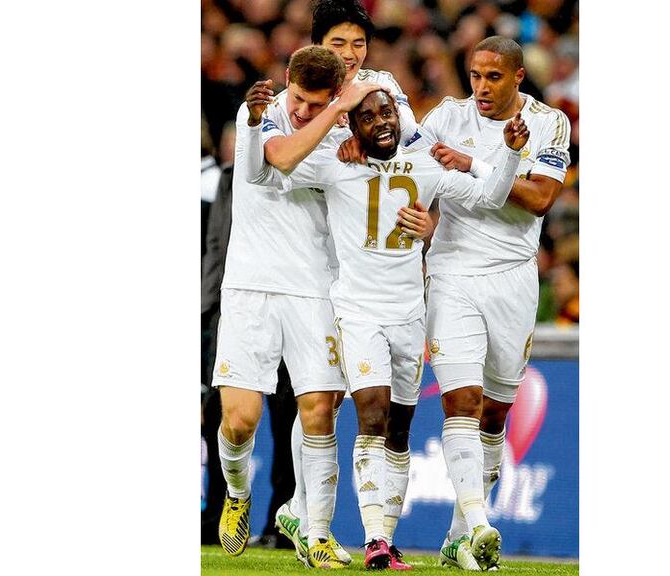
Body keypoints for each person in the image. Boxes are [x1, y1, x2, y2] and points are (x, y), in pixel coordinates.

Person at [244, 87, 529, 570]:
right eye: (369, 116)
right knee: (371, 414)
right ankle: (372, 538)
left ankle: (387, 541)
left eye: (388, 111)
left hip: (409, 313)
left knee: (400, 427)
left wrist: (509, 152)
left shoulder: (424, 163)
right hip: (356, 312)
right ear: (352, 128)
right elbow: (263, 172)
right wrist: (256, 126)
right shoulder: (335, 161)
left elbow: (493, 194)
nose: (383, 121)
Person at [213, 46, 385, 569]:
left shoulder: (343, 132)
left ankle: (316, 534)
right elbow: (278, 161)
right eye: (302, 100)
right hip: (250, 287)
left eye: (320, 104)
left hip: (316, 287)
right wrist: (335, 114)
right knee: (240, 422)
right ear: (287, 79)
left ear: (335, 93)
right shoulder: (258, 111)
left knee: (319, 412)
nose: (305, 111)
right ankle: (238, 493)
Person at [276, 0, 432, 570]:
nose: (349, 55)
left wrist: (367, 143)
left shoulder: (381, 87)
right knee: (321, 393)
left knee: (337, 398)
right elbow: (277, 158)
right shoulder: (298, 87)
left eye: (358, 44)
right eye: (338, 44)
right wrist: (330, 124)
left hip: (364, 255)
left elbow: (412, 155)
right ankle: (305, 510)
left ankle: (308, 513)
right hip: (308, 254)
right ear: (316, 46)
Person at [417, 36, 572, 571]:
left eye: (493, 77)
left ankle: (460, 536)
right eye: (474, 76)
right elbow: (407, 170)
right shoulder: (445, 116)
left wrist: (473, 164)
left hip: (514, 278)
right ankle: (482, 525)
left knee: (496, 413)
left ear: (518, 77)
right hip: (453, 272)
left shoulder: (549, 124)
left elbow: (539, 199)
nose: (481, 88)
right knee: (460, 400)